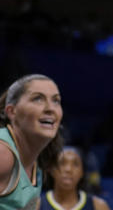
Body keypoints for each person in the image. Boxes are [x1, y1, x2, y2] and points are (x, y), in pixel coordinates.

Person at [0, 74, 63, 210]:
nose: (50, 108)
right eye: (38, 99)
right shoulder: (3, 153)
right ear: (11, 111)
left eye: (56, 101)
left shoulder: (36, 165)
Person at [40, 148, 110, 210]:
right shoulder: (37, 205)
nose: (68, 169)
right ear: (51, 170)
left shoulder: (99, 206)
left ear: (82, 172)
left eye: (75, 164)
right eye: (62, 163)